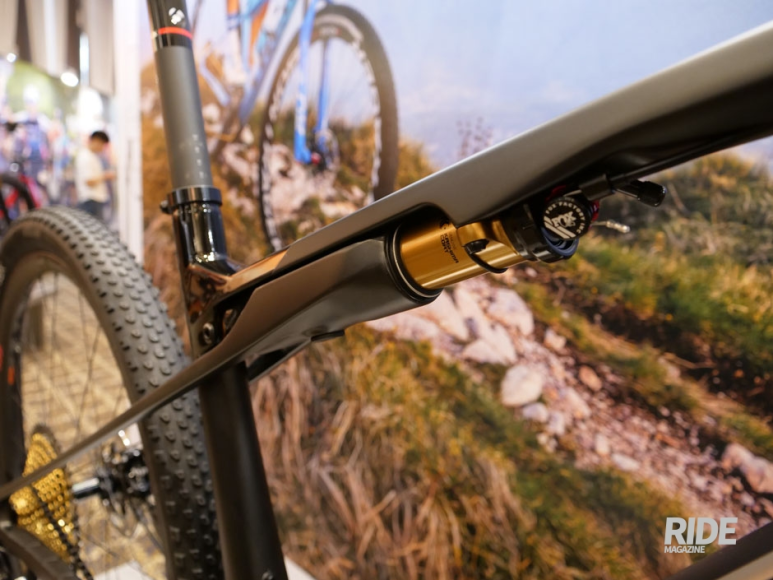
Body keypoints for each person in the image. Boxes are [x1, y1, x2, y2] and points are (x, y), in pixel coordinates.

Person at [75, 131, 114, 221]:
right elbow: (89, 181)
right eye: (102, 145)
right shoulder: (85, 156)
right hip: (91, 201)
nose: (102, 148)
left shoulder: (92, 156)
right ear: (96, 141)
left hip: (95, 201)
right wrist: (105, 176)